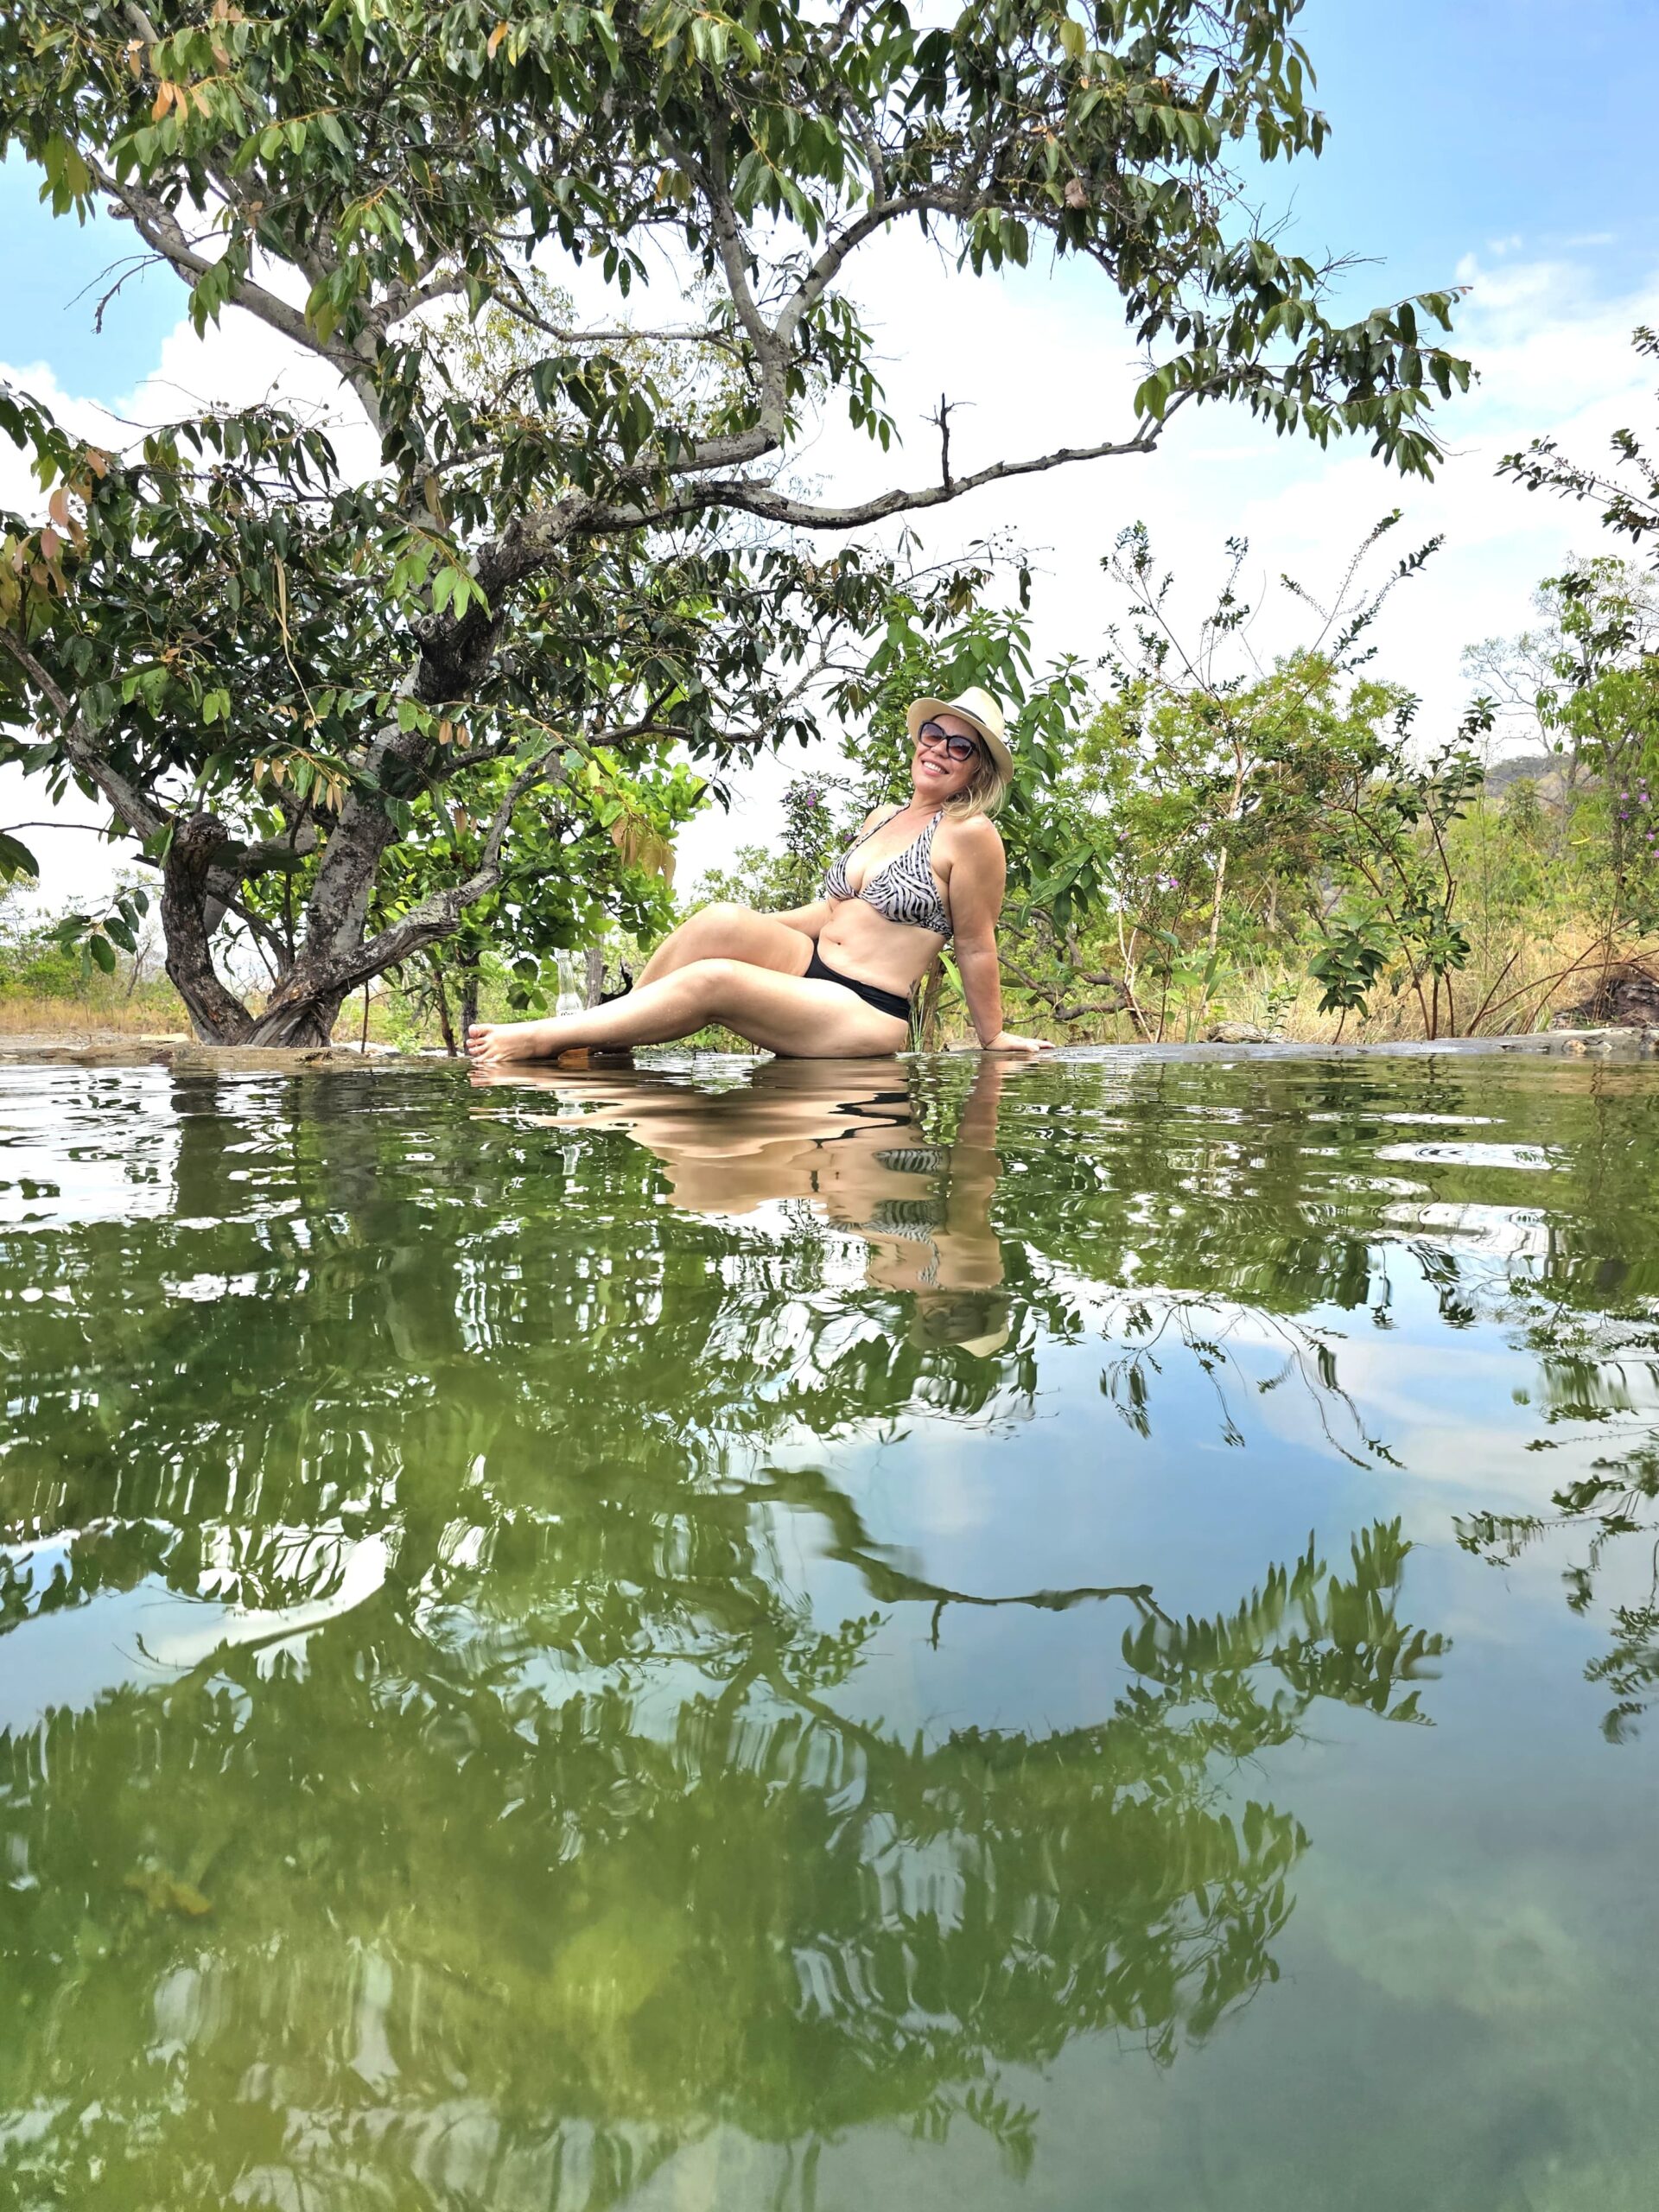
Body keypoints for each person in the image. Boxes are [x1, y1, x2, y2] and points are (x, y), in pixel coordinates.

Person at [466, 686, 1054, 1064]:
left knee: (716, 980)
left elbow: (976, 944)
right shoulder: (884, 817)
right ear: (918, 740)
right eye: (935, 735)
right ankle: (604, 1039)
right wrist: (741, 924)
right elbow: (831, 913)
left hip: (865, 1007)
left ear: (978, 771)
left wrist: (993, 1036)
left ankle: (552, 1035)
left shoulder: (970, 833)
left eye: (961, 747)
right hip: (813, 964)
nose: (941, 751)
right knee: (720, 920)